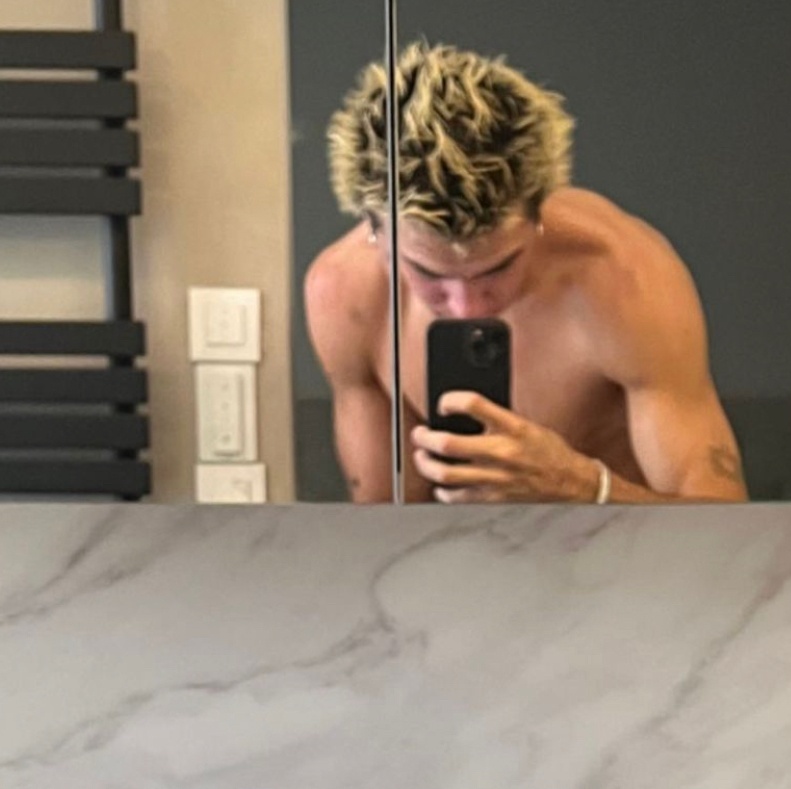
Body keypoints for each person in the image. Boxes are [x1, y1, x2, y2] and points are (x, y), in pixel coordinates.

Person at [304, 42, 747, 504]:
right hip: (454, 548)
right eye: (427, 272)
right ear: (375, 229)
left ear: (538, 214)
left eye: (498, 267)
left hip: (626, 547)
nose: (467, 308)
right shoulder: (345, 294)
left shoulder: (624, 280)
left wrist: (581, 486)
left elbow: (726, 524)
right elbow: (384, 519)